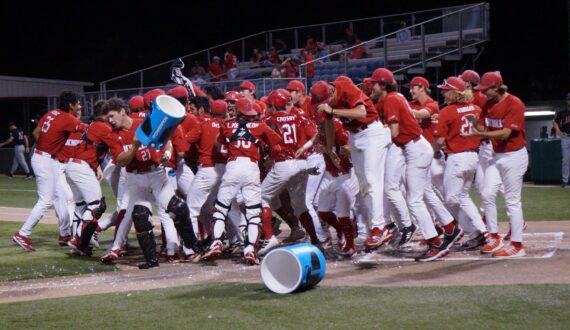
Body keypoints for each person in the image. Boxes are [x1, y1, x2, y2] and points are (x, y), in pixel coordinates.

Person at [104, 97, 202, 269]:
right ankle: (151, 260)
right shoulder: (113, 135)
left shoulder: (143, 124)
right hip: (134, 177)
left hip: (156, 172)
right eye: (107, 118)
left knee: (178, 208)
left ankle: (192, 244)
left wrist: (167, 153)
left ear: (122, 111)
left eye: (112, 116)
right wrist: (135, 146)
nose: (110, 121)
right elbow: (121, 161)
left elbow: (167, 141)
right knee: (140, 216)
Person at [311, 76, 391, 252]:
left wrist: (332, 109)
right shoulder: (327, 101)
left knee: (371, 180)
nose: (326, 103)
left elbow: (361, 112)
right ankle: (378, 227)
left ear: (331, 90)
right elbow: (329, 124)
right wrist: (331, 149)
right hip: (355, 136)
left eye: (327, 99)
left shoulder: (345, 86)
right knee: (364, 186)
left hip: (372, 132)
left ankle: (380, 227)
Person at [202, 98, 282, 265]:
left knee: (220, 209)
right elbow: (277, 146)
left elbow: (218, 142)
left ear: (237, 111)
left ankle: (216, 242)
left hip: (232, 166)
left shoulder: (226, 124)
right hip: (251, 168)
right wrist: (269, 157)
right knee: (253, 213)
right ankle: (250, 249)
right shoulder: (260, 125)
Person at [13, 91, 86, 252]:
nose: (79, 106)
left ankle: (64, 233)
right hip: (46, 161)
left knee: (64, 195)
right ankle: (23, 234)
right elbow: (88, 131)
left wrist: (48, 147)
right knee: (46, 201)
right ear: (70, 105)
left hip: (45, 158)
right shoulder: (68, 118)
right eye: (77, 103)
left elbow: (35, 133)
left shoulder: (51, 113)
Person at [465, 71, 528, 258]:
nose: (484, 93)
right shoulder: (487, 103)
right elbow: (485, 128)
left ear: (496, 87)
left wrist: (479, 134)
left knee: (512, 200)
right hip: (496, 155)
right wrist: (476, 124)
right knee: (486, 193)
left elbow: (505, 133)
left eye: (487, 90)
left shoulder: (514, 103)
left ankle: (517, 245)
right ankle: (494, 237)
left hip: (514, 156)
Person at [433, 76, 487, 249]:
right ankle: (478, 232)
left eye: (446, 90)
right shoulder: (476, 108)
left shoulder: (447, 111)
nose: (442, 92)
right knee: (462, 196)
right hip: (473, 157)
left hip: (457, 158)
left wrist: (428, 153)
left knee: (450, 200)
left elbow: (440, 141)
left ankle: (478, 230)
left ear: (455, 92)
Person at [553, 92, 570, 188]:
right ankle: (565, 181)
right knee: (565, 160)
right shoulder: (562, 112)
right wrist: (558, 131)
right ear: (567, 101)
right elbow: (554, 122)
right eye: (569, 99)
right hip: (566, 137)